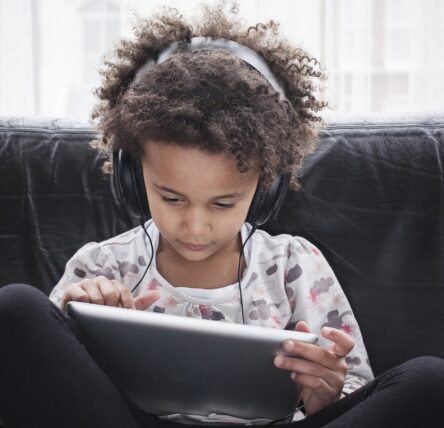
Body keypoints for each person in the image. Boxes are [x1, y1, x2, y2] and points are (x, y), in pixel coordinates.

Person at [0, 2, 444, 428]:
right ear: (134, 179)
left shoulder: (293, 265)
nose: (195, 227)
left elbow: (354, 391)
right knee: (17, 307)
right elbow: (47, 375)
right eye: (172, 198)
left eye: (223, 203)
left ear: (265, 188)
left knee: (428, 382)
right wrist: (78, 323)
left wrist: (325, 394)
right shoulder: (101, 267)